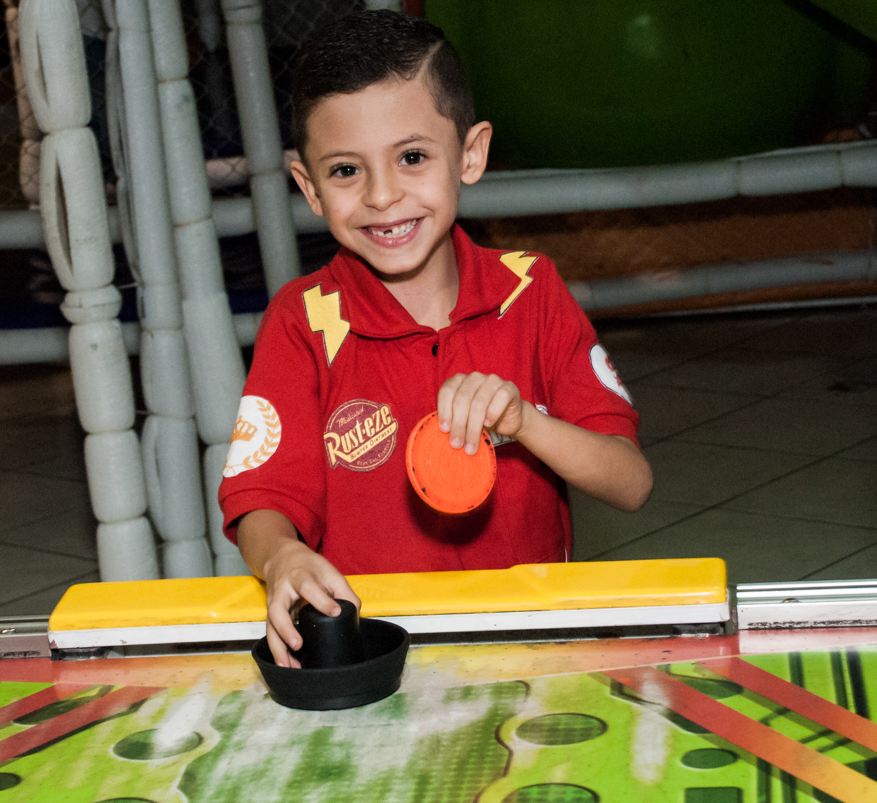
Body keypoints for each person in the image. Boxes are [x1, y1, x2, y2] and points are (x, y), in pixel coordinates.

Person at [217, 10, 653, 668]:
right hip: (372, 660)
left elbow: (631, 482)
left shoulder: (531, 291)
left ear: (470, 155)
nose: (384, 196)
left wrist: (526, 422)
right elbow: (262, 502)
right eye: (345, 171)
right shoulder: (301, 321)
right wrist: (280, 556)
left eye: (412, 157)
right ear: (307, 186)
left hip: (533, 649)